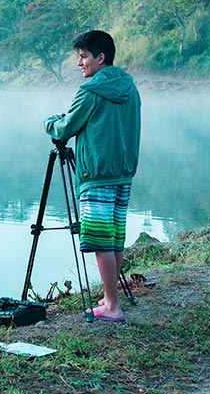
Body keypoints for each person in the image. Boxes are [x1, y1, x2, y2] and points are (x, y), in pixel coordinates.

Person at [45, 30, 141, 322]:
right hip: (123, 173)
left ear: (100, 58)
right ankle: (110, 296)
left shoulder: (90, 91)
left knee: (101, 241)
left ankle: (112, 306)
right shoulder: (129, 86)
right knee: (114, 239)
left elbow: (66, 128)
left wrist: (50, 123)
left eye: (84, 56)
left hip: (97, 173)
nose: (79, 63)